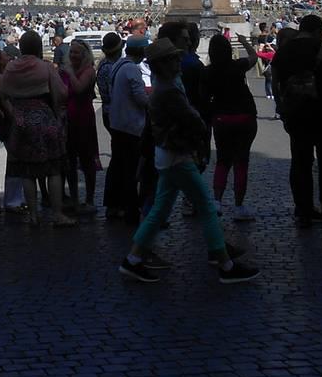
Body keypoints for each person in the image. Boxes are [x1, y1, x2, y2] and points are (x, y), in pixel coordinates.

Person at [118, 39, 258, 285]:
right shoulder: (169, 90)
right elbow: (190, 116)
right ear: (163, 64)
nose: (178, 61)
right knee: (205, 205)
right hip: (177, 155)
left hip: (168, 154)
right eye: (173, 58)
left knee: (161, 210)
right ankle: (225, 264)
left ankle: (133, 259)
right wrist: (200, 130)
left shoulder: (167, 85)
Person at [270, 14, 322, 227]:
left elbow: (275, 84)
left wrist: (282, 109)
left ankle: (304, 211)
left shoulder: (283, 52)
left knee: (300, 162)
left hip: (297, 113)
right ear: (319, 31)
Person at [0, 31, 72, 227]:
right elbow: (61, 92)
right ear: (39, 47)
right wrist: (56, 112)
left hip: (21, 120)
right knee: (53, 168)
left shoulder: (11, 67)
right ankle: (57, 214)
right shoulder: (44, 67)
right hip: (44, 117)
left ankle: (32, 215)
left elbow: (3, 93)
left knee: (27, 171)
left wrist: (13, 112)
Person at [205, 33, 258, 222]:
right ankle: (239, 205)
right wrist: (246, 42)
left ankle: (217, 201)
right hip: (244, 115)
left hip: (221, 118)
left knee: (222, 160)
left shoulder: (208, 71)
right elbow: (254, 58)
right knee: (241, 161)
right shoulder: (237, 66)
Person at [106, 36, 149, 223]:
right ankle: (131, 209)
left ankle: (114, 205)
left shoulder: (118, 65)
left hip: (117, 123)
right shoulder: (132, 69)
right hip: (131, 126)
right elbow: (140, 98)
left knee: (118, 166)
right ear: (139, 51)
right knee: (132, 170)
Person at [60, 38, 100, 215]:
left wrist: (68, 72)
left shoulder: (89, 71)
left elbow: (78, 88)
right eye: (71, 52)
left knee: (87, 158)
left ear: (84, 54)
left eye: (76, 52)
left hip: (83, 118)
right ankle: (75, 198)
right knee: (69, 160)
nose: (73, 55)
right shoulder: (70, 70)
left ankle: (89, 198)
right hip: (69, 118)